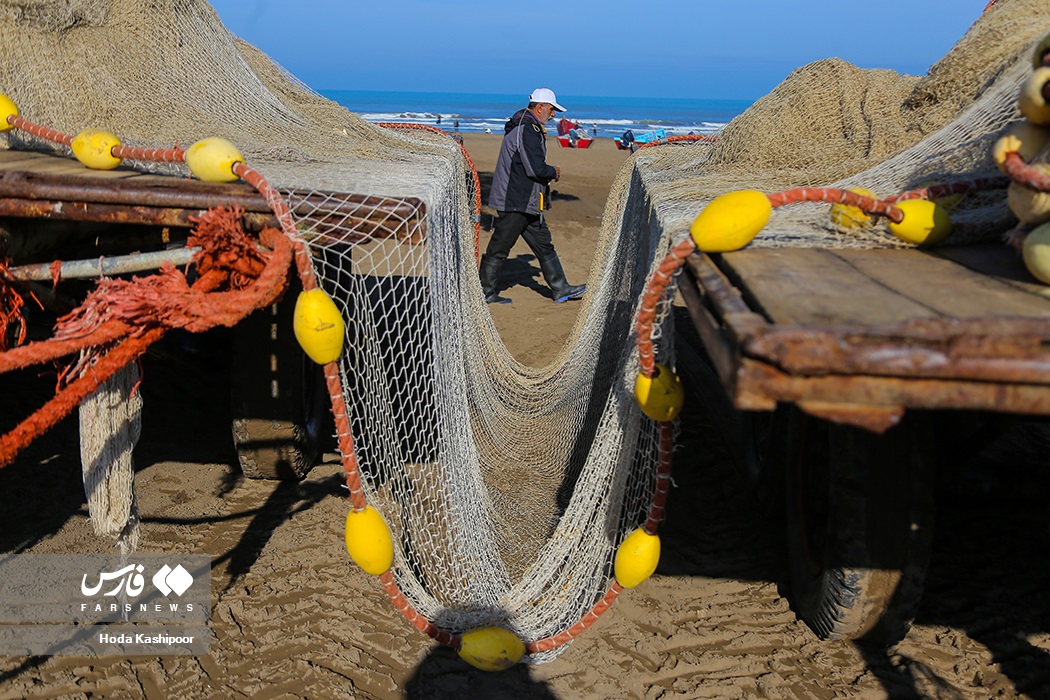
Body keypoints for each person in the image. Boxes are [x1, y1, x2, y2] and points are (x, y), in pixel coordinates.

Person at [480, 88, 587, 305]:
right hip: (516, 199)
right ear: (540, 107)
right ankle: (485, 292)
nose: (554, 114)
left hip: (526, 200)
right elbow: (535, 168)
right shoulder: (527, 128)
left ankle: (560, 288)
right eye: (552, 109)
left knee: (544, 245)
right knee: (500, 246)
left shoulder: (525, 126)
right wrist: (553, 172)